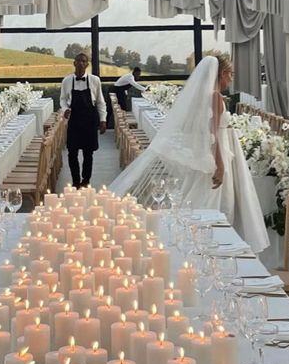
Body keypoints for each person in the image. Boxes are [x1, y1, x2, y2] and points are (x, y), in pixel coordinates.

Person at [109, 53, 269, 253]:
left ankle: (203, 244)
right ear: (222, 74)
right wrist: (219, 165)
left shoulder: (203, 97)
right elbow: (214, 135)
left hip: (219, 153)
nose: (231, 79)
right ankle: (213, 246)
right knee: (217, 204)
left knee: (203, 201)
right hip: (221, 155)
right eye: (230, 74)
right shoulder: (216, 97)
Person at [60, 53, 107, 188]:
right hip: (74, 119)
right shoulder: (67, 81)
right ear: (74, 63)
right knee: (72, 152)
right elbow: (63, 99)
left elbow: (100, 102)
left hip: (90, 119)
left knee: (88, 153)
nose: (81, 63)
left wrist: (103, 120)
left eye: (84, 61)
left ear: (87, 65)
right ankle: (75, 181)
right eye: (78, 61)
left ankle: (86, 180)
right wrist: (65, 110)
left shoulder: (95, 80)